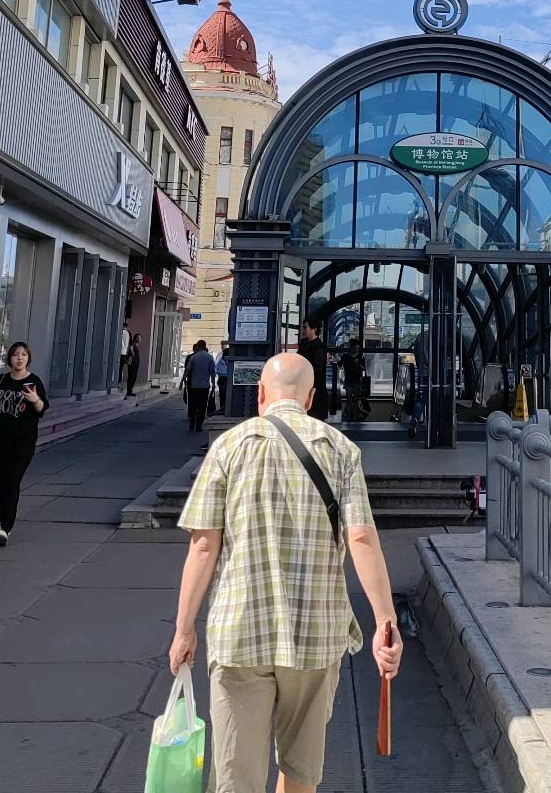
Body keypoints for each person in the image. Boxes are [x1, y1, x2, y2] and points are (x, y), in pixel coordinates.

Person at [169, 353, 402, 793]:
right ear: (311, 398)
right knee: (300, 773)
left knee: (236, 777)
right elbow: (361, 539)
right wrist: (385, 624)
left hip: (240, 632)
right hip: (315, 634)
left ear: (260, 393)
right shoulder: (340, 450)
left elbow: (203, 546)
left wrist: (184, 630)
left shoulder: (229, 447)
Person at [0, 341, 48, 547]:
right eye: (16, 354)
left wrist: (35, 398)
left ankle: (5, 526)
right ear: (10, 357)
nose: (20, 358)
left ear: (28, 359)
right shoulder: (1, 380)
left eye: (24, 355)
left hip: (23, 441)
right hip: (0, 440)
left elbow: (42, 409)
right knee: (0, 483)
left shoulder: (34, 381)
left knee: (12, 481)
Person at [297, 318, 329, 420]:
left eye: (305, 327)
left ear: (314, 329)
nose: (303, 330)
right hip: (303, 386)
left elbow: (317, 369)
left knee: (314, 416)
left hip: (315, 388)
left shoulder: (319, 347)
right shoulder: (303, 344)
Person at [182, 339, 215, 433]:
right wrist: (213, 383)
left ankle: (192, 422)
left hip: (193, 386)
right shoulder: (209, 357)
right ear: (205, 346)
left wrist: (182, 381)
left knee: (193, 405)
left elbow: (187, 370)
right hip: (204, 386)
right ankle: (199, 426)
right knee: (202, 406)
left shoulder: (193, 357)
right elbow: (212, 371)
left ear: (198, 346)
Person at [125, 332, 141, 399]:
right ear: (135, 338)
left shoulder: (136, 345)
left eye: (140, 337)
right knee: (131, 376)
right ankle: (129, 391)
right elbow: (130, 348)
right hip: (133, 363)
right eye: (138, 337)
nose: (139, 339)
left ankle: (130, 390)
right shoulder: (133, 343)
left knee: (134, 377)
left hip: (136, 363)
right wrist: (133, 355)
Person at [214, 344, 230, 414]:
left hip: (221, 380)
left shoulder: (220, 361)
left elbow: (215, 370)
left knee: (222, 395)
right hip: (229, 380)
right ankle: (227, 408)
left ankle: (222, 409)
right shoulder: (231, 361)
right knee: (228, 395)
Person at [119, 315, 131, 386]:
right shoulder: (128, 333)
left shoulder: (121, 332)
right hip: (124, 352)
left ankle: (118, 380)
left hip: (120, 352)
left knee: (119, 367)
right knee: (121, 367)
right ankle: (119, 381)